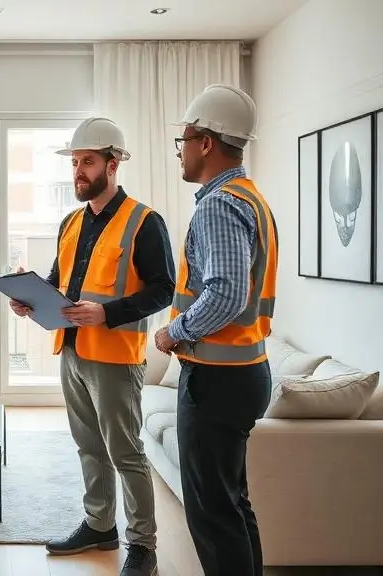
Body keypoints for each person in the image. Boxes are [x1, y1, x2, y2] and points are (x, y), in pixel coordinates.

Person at [10, 117, 175, 576]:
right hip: (73, 351)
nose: (78, 171)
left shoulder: (144, 222)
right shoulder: (71, 222)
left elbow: (164, 290)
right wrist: (30, 298)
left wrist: (107, 312)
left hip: (117, 358)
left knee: (125, 453)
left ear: (113, 163)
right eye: (75, 162)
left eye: (87, 162)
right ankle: (100, 525)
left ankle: (143, 546)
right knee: (87, 445)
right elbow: (60, 283)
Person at [153, 84, 278, 576]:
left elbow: (225, 294)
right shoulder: (250, 197)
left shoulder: (219, 205)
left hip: (217, 380)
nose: (180, 151)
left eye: (183, 139)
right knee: (232, 504)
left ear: (206, 141)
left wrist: (172, 333)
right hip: (245, 371)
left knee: (212, 513)